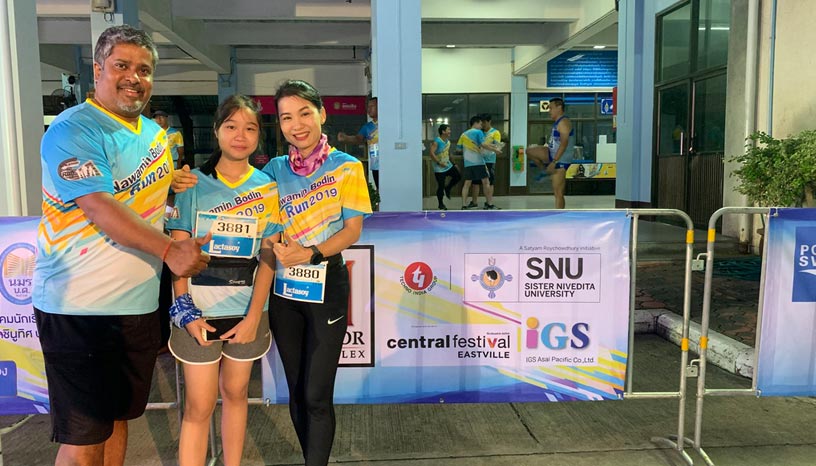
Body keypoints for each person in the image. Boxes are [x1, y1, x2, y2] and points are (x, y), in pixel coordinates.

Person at [32, 24, 210, 466]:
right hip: (78, 307)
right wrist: (170, 251)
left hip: (137, 305)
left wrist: (175, 190)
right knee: (84, 436)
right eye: (122, 66)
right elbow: (98, 205)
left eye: (144, 69)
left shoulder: (154, 135)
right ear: (98, 70)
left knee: (118, 419)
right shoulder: (73, 129)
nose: (134, 77)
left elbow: (143, 203)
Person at [166, 95, 281, 466]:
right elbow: (179, 252)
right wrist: (186, 312)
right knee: (198, 406)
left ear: (258, 136)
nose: (240, 136)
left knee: (236, 393)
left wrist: (253, 317)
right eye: (231, 126)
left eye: (250, 128)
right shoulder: (192, 185)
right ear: (216, 131)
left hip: (247, 313)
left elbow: (268, 257)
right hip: (198, 313)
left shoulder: (267, 188)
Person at [265, 79, 372, 466]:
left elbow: (352, 230)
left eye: (304, 113)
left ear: (322, 114)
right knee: (296, 391)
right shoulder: (273, 170)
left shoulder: (347, 167)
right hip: (284, 291)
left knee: (316, 394)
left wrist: (310, 254)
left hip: (328, 284)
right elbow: (245, 199)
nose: (297, 125)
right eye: (286, 117)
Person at [527, 97, 575, 209]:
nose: (549, 111)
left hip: (560, 160)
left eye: (551, 108)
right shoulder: (557, 122)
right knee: (529, 151)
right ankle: (545, 171)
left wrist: (554, 162)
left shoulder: (564, 122)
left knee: (558, 193)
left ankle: (559, 214)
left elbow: (564, 144)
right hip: (551, 153)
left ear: (559, 107)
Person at [457, 115, 500, 210]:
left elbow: (458, 148)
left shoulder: (463, 134)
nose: (481, 126)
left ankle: (464, 205)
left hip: (468, 163)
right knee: (486, 182)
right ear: (475, 123)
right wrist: (495, 149)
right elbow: (483, 144)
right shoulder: (478, 132)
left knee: (467, 184)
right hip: (479, 162)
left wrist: (468, 149)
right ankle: (489, 203)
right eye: (480, 124)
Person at [337, 96, 379, 189]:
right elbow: (358, 139)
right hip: (376, 164)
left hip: (390, 162)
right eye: (368, 107)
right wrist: (346, 138)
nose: (369, 109)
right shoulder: (367, 127)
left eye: (372, 106)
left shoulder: (387, 123)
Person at [468, 113, 502, 209]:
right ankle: (474, 202)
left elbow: (497, 146)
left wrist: (487, 147)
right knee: (475, 182)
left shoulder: (495, 132)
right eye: (481, 123)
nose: (482, 124)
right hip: (478, 160)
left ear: (489, 121)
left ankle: (488, 202)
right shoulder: (479, 132)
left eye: (484, 122)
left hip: (489, 160)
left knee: (489, 182)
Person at [428, 124, 461, 210]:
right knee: (441, 186)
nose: (450, 131)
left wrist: (454, 164)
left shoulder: (448, 142)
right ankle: (441, 204)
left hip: (448, 165)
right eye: (448, 130)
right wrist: (439, 163)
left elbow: (449, 153)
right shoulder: (437, 141)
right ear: (443, 131)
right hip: (439, 168)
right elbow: (431, 153)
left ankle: (448, 188)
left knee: (458, 176)